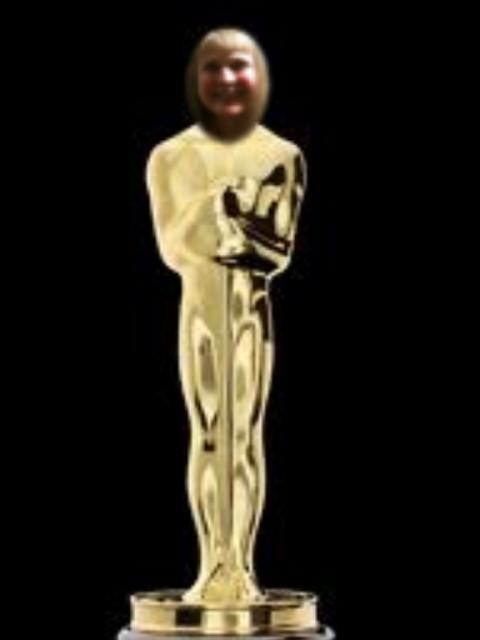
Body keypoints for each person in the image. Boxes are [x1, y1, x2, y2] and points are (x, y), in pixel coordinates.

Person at [146, 27, 307, 604]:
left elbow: (278, 251)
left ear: (257, 76)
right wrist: (217, 208)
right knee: (209, 432)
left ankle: (243, 567)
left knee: (246, 434)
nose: (226, 78)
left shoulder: (280, 155)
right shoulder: (170, 156)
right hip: (198, 309)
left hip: (249, 311)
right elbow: (173, 247)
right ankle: (212, 566)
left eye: (238, 65)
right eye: (212, 67)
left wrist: (236, 227)